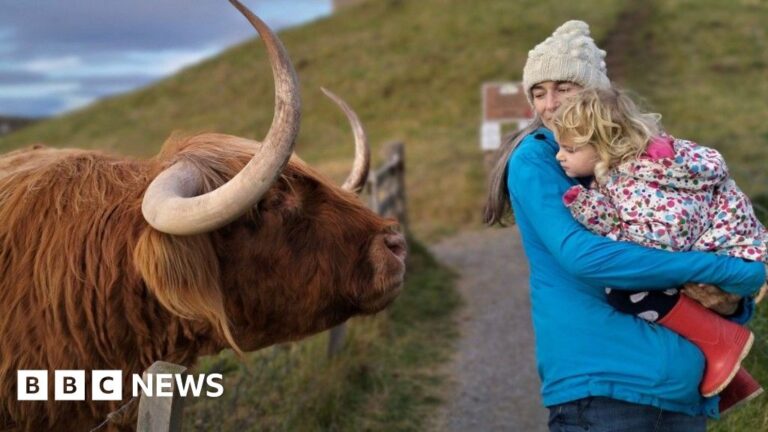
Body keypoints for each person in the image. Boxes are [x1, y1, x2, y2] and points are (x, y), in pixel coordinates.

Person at [483, 20, 767, 431]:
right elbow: (585, 257)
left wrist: (734, 294)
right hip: (605, 389)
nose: (550, 104)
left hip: (684, 391)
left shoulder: (643, 160)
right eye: (539, 93)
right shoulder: (538, 158)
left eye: (565, 87)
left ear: (599, 96)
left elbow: (710, 236)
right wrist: (718, 269)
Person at [552, 87, 766, 411]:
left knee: (627, 290)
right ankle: (728, 373)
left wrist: (608, 235)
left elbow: (660, 244)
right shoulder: (629, 172)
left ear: (604, 145)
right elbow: (633, 223)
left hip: (732, 252)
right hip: (729, 250)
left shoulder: (643, 177)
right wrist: (589, 207)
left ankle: (724, 346)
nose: (559, 156)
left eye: (569, 148)